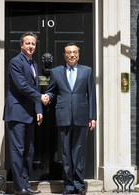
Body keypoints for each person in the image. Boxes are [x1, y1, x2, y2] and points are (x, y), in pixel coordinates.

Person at [42, 42, 97, 194]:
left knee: (79, 152)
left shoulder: (87, 71)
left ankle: (79, 185)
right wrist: (48, 97)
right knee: (65, 152)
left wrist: (93, 117)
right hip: (63, 116)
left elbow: (92, 94)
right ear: (64, 55)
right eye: (69, 53)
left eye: (74, 52)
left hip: (82, 116)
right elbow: (52, 90)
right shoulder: (56, 72)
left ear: (78, 55)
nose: (72, 55)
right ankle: (68, 185)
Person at [3, 32, 43, 195]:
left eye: (33, 43)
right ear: (21, 45)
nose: (31, 46)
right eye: (27, 43)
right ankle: (19, 187)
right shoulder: (15, 62)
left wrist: (39, 109)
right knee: (18, 150)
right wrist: (41, 97)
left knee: (29, 150)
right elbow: (22, 86)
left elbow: (36, 88)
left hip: (30, 113)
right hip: (17, 113)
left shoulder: (34, 64)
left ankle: (25, 184)